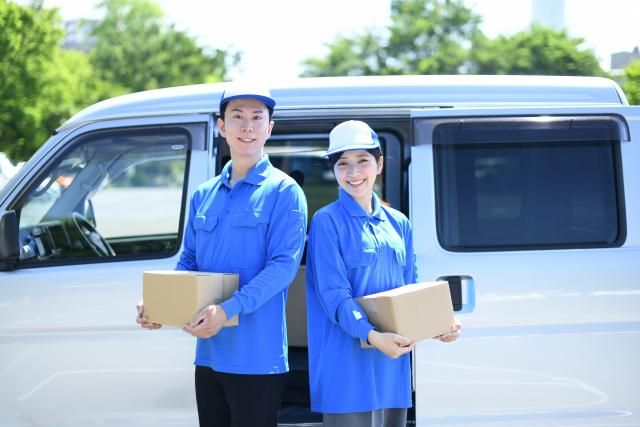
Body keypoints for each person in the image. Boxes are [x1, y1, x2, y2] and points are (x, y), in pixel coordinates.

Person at [136, 83, 308, 427]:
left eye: (257, 118)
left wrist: (227, 309)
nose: (247, 127)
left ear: (270, 128)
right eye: (237, 117)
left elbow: (282, 268)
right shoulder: (204, 194)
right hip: (209, 355)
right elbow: (189, 261)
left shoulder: (284, 191)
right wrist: (159, 304)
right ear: (221, 126)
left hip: (257, 359)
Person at [305, 120, 461, 427]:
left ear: (379, 164)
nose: (353, 173)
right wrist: (373, 336)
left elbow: (411, 290)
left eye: (362, 161)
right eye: (342, 164)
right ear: (334, 170)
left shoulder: (398, 223)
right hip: (347, 370)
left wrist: (440, 324)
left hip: (392, 368)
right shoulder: (326, 222)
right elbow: (334, 295)